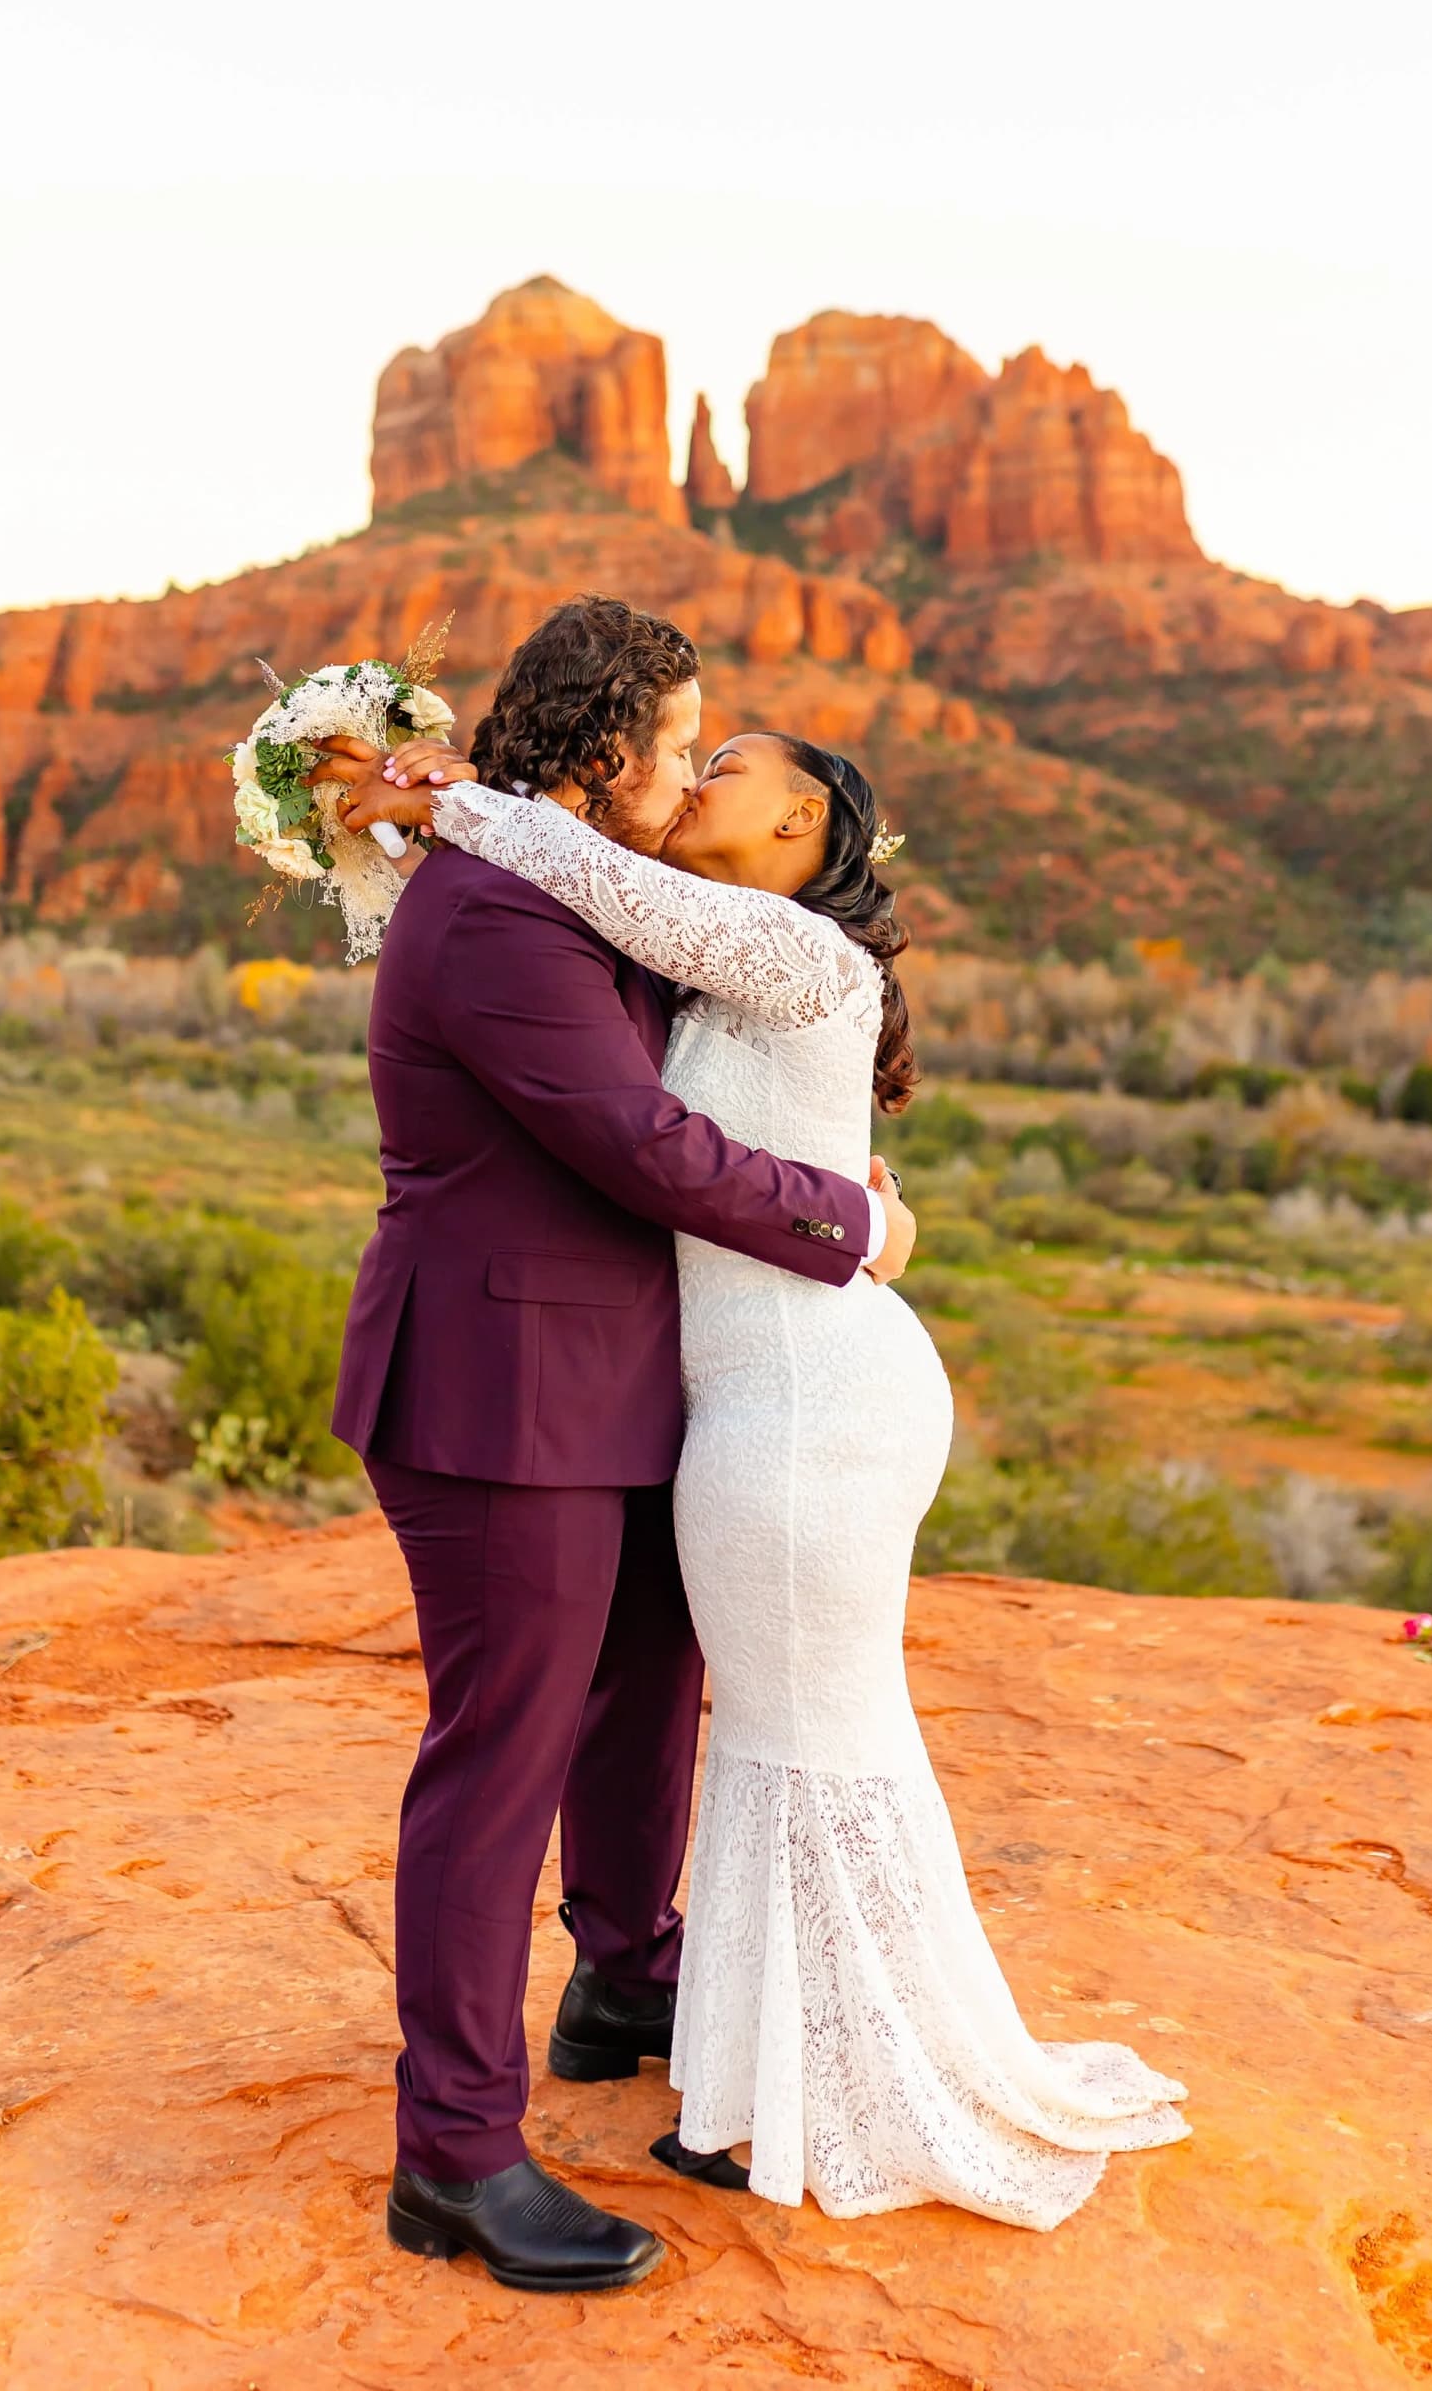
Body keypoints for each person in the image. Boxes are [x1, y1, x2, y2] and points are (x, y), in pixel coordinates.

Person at [358, 715, 1191, 2229]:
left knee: (805, 1738)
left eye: (720, 765)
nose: (690, 783)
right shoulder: (721, 950)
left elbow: (570, 866)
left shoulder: (790, 949)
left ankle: (841, 2081)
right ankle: (756, 2058)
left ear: (804, 826)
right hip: (756, 1401)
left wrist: (437, 790)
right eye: (682, 751)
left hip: (809, 1408)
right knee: (768, 1739)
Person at [311, 596, 917, 2296]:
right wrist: (848, 1221)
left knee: (650, 1688)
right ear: (606, 753)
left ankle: (625, 1979)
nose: (684, 776)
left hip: (631, 1383)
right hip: (497, 1392)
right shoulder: (498, 917)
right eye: (676, 745)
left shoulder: (569, 886)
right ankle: (455, 2157)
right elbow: (636, 1140)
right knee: (498, 1755)